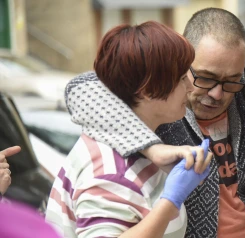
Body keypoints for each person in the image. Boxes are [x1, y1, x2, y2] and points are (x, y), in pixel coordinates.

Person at [63, 8, 245, 237]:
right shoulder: (161, 101)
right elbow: (80, 89)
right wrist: (152, 148)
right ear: (181, 64)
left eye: (231, 80)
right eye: (205, 78)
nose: (218, 94)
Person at [45, 21, 212, 238]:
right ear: (147, 90)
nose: (190, 87)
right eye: (181, 79)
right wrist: (171, 201)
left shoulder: (118, 138)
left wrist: (151, 149)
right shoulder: (111, 173)